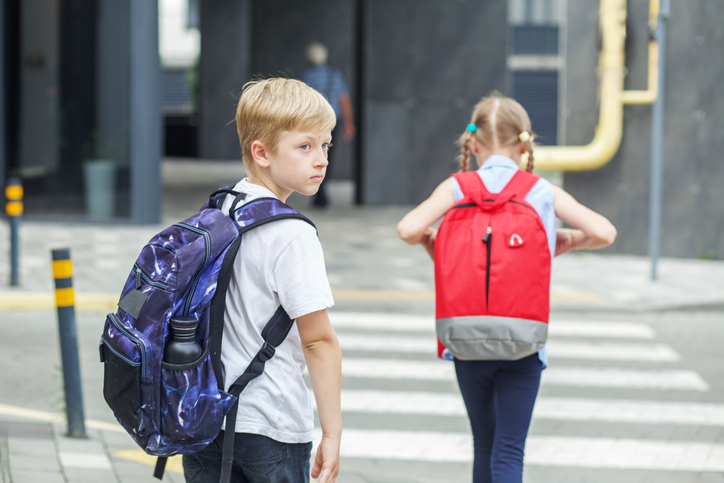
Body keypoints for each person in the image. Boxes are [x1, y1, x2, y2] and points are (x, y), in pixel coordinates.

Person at [396, 92, 617, 483]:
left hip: (464, 338)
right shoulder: (540, 191)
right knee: (509, 450)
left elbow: (408, 229)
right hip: (523, 341)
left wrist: (439, 246)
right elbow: (604, 232)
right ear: (524, 143)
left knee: (484, 445)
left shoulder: (458, 186)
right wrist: (566, 241)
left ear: (473, 143)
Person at [182, 78, 342, 483]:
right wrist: (332, 432)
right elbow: (318, 340)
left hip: (202, 417)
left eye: (326, 145)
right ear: (262, 152)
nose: (321, 159)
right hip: (269, 423)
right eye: (305, 146)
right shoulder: (292, 234)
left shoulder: (220, 208)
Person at [302, 42, 356, 208]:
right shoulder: (335, 75)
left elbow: (303, 101)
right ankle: (321, 192)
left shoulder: (308, 75)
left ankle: (319, 192)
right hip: (333, 120)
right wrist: (348, 123)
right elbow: (344, 100)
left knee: (313, 155)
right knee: (327, 155)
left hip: (315, 121)